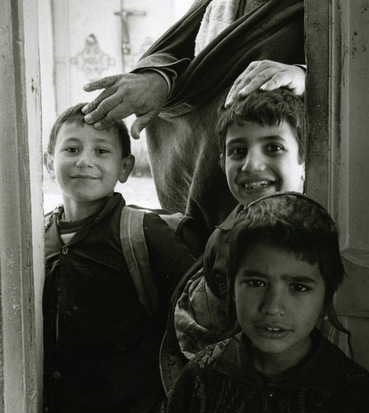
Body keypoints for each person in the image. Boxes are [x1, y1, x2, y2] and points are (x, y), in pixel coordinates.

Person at [140, 193, 369, 413]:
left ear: (327, 296)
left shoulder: (360, 400)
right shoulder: (199, 380)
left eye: (299, 287)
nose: (272, 307)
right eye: (256, 283)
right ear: (233, 288)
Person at [81, 0, 307, 240]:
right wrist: (159, 79)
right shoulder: (217, 4)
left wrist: (304, 75)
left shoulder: (325, 9)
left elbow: (347, 70)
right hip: (212, 171)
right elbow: (183, 56)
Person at [42, 103, 196, 413]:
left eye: (101, 150)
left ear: (124, 167)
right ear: (49, 161)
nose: (84, 160)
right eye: (71, 149)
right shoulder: (38, 240)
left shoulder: (142, 232)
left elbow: (199, 313)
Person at [160, 88, 309, 391]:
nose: (251, 165)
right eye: (238, 151)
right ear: (221, 161)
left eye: (273, 148)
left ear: (304, 156)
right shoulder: (224, 243)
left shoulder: (328, 228)